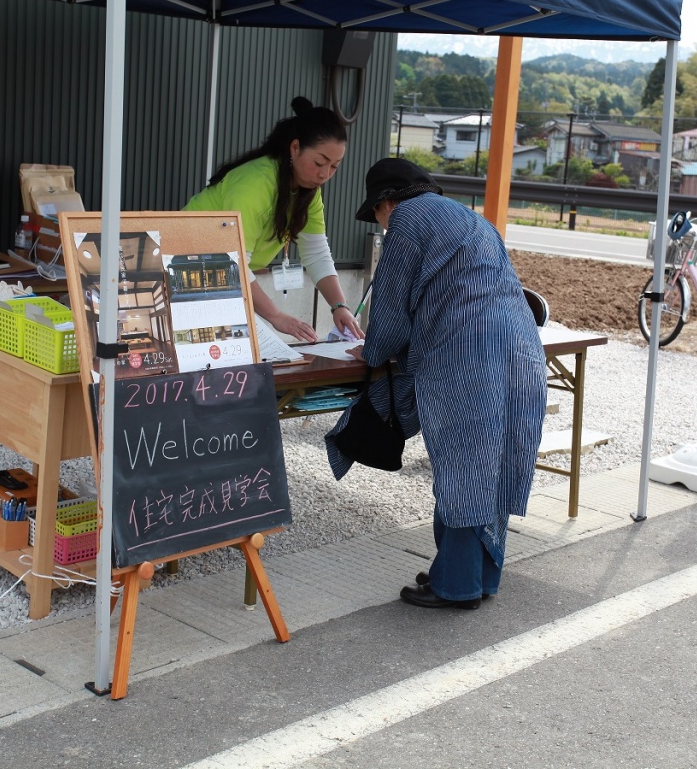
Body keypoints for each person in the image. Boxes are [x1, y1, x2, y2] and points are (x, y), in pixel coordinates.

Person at [326, 158, 547, 609]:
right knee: (497, 463)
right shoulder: (471, 219)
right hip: (522, 349)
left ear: (386, 202)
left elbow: (390, 302)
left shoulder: (407, 219)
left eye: (378, 215)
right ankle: (477, 573)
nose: (382, 224)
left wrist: (370, 350)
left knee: (463, 468)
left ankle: (457, 585)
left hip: (468, 356)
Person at [184, 96, 364, 343]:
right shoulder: (255, 185)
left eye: (335, 166)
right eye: (319, 163)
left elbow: (316, 252)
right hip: (183, 269)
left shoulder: (309, 191)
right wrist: (276, 316)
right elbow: (232, 265)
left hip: (219, 279)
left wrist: (339, 306)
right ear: (295, 148)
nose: (325, 174)